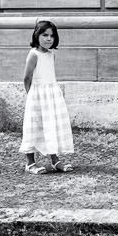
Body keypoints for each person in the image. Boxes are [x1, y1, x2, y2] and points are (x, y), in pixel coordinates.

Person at [21, 20, 75, 174]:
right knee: (34, 126)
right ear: (37, 35)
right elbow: (27, 77)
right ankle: (30, 163)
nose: (49, 39)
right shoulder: (34, 54)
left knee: (51, 126)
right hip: (37, 96)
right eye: (45, 35)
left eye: (52, 36)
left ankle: (55, 160)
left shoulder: (51, 54)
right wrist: (31, 96)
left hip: (52, 95)